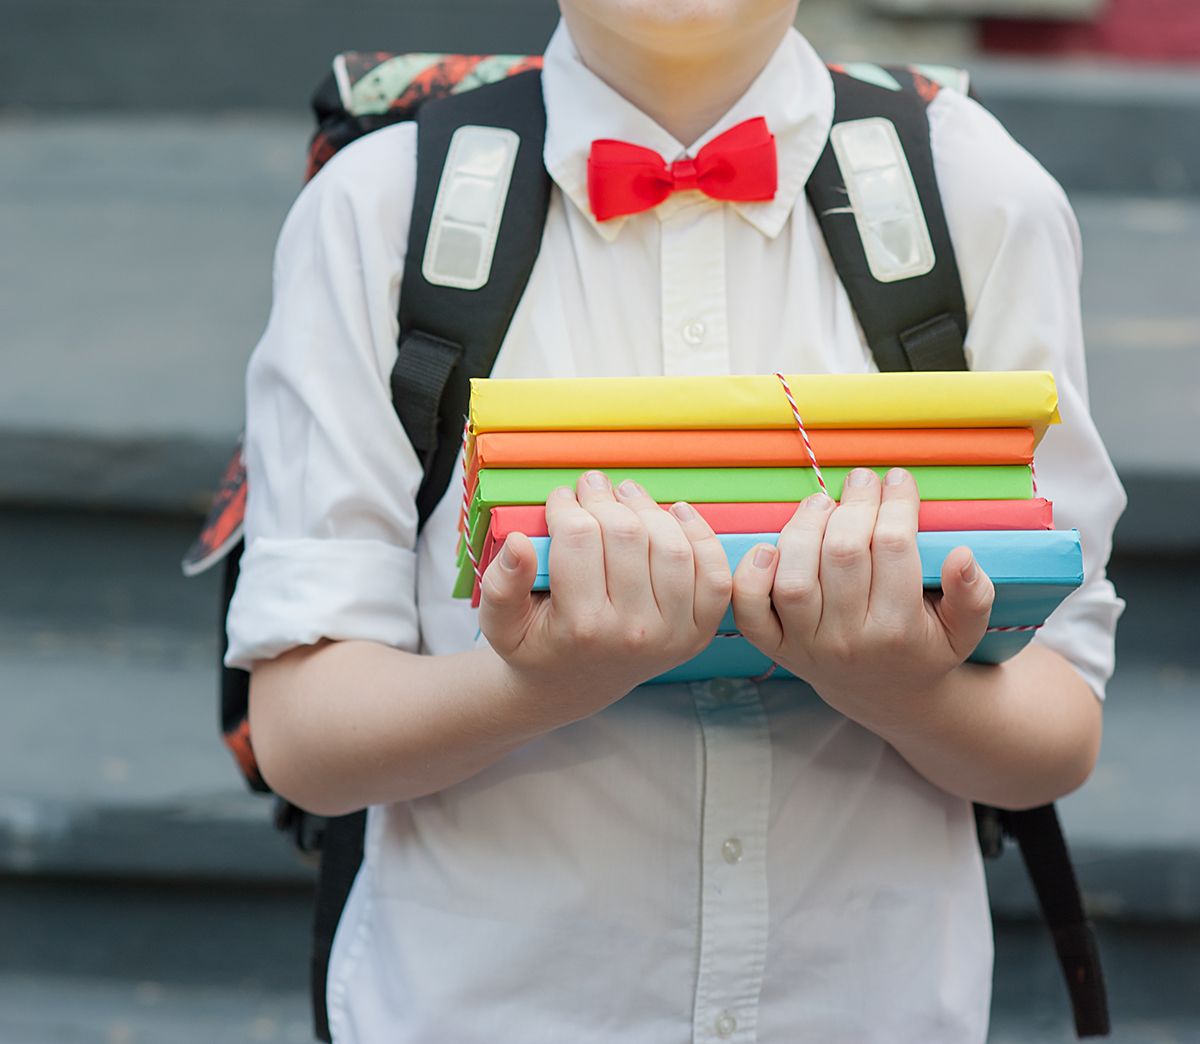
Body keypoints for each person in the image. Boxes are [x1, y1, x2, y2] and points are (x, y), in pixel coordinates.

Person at [225, 1, 1126, 1040]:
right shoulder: (385, 209)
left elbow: (1059, 721)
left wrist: (905, 687)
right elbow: (302, 732)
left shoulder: (976, 198)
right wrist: (534, 685)